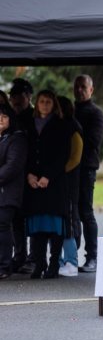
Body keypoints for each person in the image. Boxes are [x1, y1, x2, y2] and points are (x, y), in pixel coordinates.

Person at [24, 90, 70, 279]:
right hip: (34, 182)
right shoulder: (29, 124)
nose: (44, 105)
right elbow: (25, 152)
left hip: (54, 183)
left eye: (48, 102)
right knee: (38, 228)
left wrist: (48, 176)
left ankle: (53, 264)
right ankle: (39, 263)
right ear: (37, 103)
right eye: (41, 101)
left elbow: (63, 155)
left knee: (54, 226)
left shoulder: (61, 125)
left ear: (54, 105)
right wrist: (29, 175)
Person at [73, 74, 103, 273]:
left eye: (83, 87)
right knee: (71, 212)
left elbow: (92, 141)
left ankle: (92, 256)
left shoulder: (96, 113)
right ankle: (70, 255)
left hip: (86, 168)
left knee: (85, 212)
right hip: (68, 169)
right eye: (77, 87)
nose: (79, 90)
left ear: (91, 90)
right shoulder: (69, 111)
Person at [8, 78, 35, 274]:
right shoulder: (10, 117)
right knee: (16, 218)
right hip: (15, 176)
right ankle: (19, 255)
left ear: (28, 97)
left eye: (20, 96)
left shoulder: (34, 117)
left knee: (31, 218)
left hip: (30, 174)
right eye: (13, 97)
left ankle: (33, 256)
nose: (16, 100)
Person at [0, 99, 28, 280]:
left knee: (2, 226)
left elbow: (12, 166)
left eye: (4, 117)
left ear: (11, 119)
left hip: (8, 193)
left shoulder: (17, 138)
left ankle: (4, 266)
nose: (0, 120)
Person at [56, 96, 83, 277]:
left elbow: (75, 157)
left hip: (67, 183)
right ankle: (58, 260)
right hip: (58, 182)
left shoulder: (73, 128)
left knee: (68, 223)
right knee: (57, 223)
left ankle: (71, 261)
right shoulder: (58, 126)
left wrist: (57, 172)